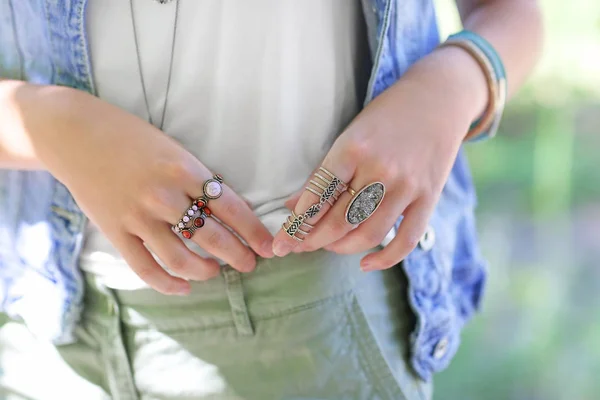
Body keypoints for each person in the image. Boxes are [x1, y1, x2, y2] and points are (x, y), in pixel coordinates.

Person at [0, 0, 542, 399]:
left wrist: (447, 88)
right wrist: (50, 125)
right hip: (30, 331)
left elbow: (513, 14)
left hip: (309, 327)